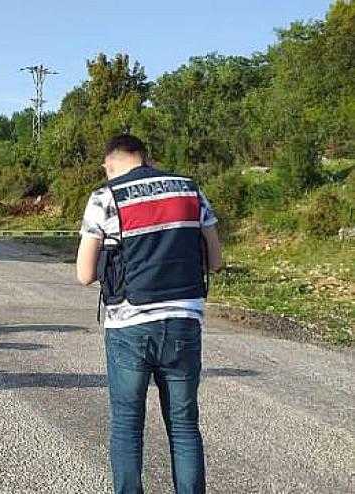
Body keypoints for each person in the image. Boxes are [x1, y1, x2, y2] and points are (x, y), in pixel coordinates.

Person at [76, 134, 222, 494]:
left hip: (130, 324)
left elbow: (84, 274)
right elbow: (216, 262)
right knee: (184, 425)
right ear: (146, 157)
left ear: (108, 163)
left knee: (127, 424)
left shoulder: (105, 196)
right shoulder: (190, 190)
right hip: (184, 321)